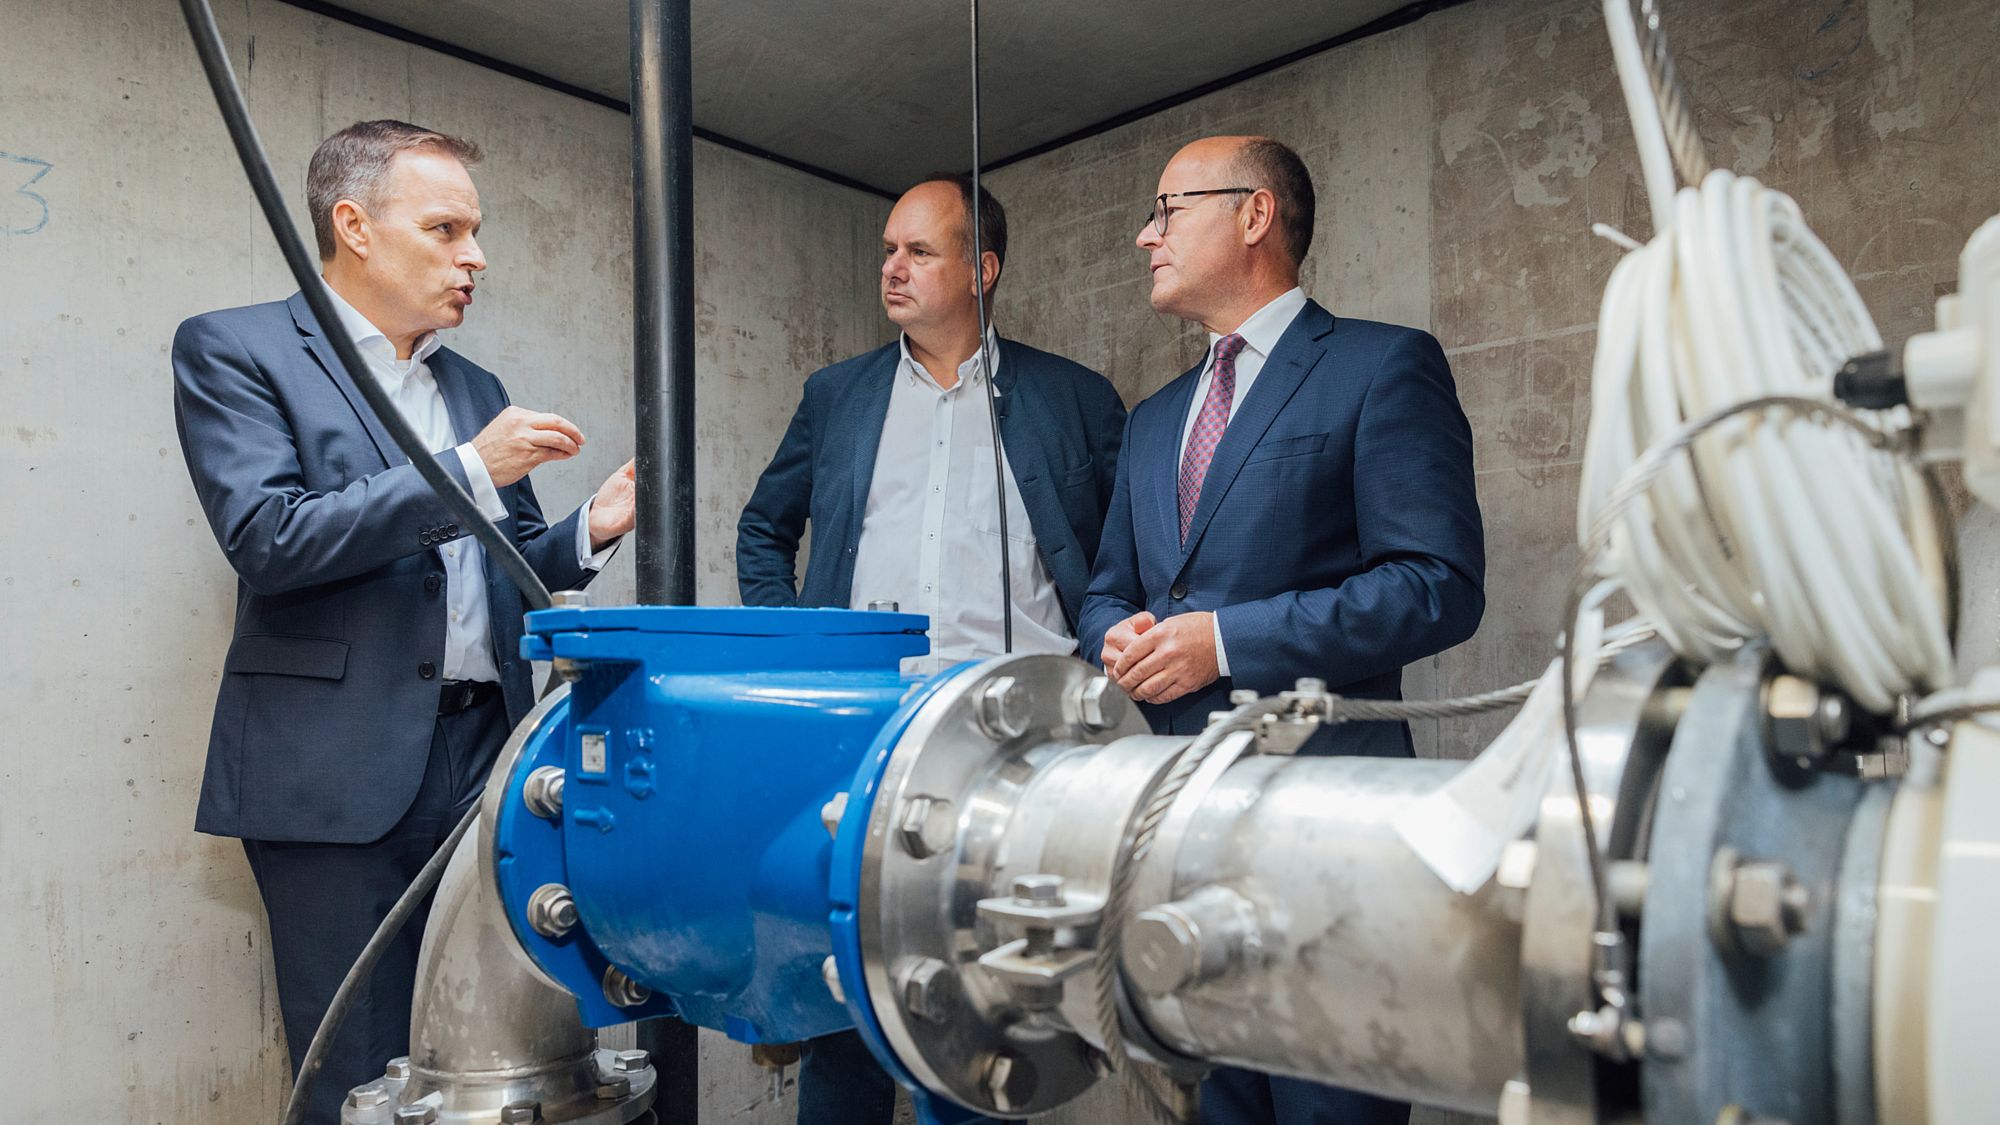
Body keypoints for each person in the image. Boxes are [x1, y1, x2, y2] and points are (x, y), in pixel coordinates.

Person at [172, 119, 636, 1125]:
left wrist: (588, 530)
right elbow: (269, 538)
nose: (475, 257)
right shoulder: (235, 349)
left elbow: (507, 571)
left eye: (475, 231)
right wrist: (472, 469)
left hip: (484, 751)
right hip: (330, 771)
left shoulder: (474, 387)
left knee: (494, 1044)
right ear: (356, 226)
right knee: (353, 1070)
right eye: (445, 228)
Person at [1080, 136, 1485, 1125]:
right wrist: (1114, 635)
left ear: (1253, 215)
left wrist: (1220, 642)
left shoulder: (1381, 366)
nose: (1145, 236)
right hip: (1170, 838)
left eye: (1168, 210)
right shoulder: (1149, 419)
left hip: (1326, 838)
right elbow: (1104, 589)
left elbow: (1435, 587)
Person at [735, 173, 1126, 1121]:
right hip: (864, 736)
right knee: (846, 997)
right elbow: (763, 529)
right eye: (886, 250)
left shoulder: (1076, 398)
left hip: (1017, 755)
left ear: (981, 269)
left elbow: (1126, 557)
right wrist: (801, 652)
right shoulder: (838, 395)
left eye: (918, 250)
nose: (891, 268)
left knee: (988, 1007)